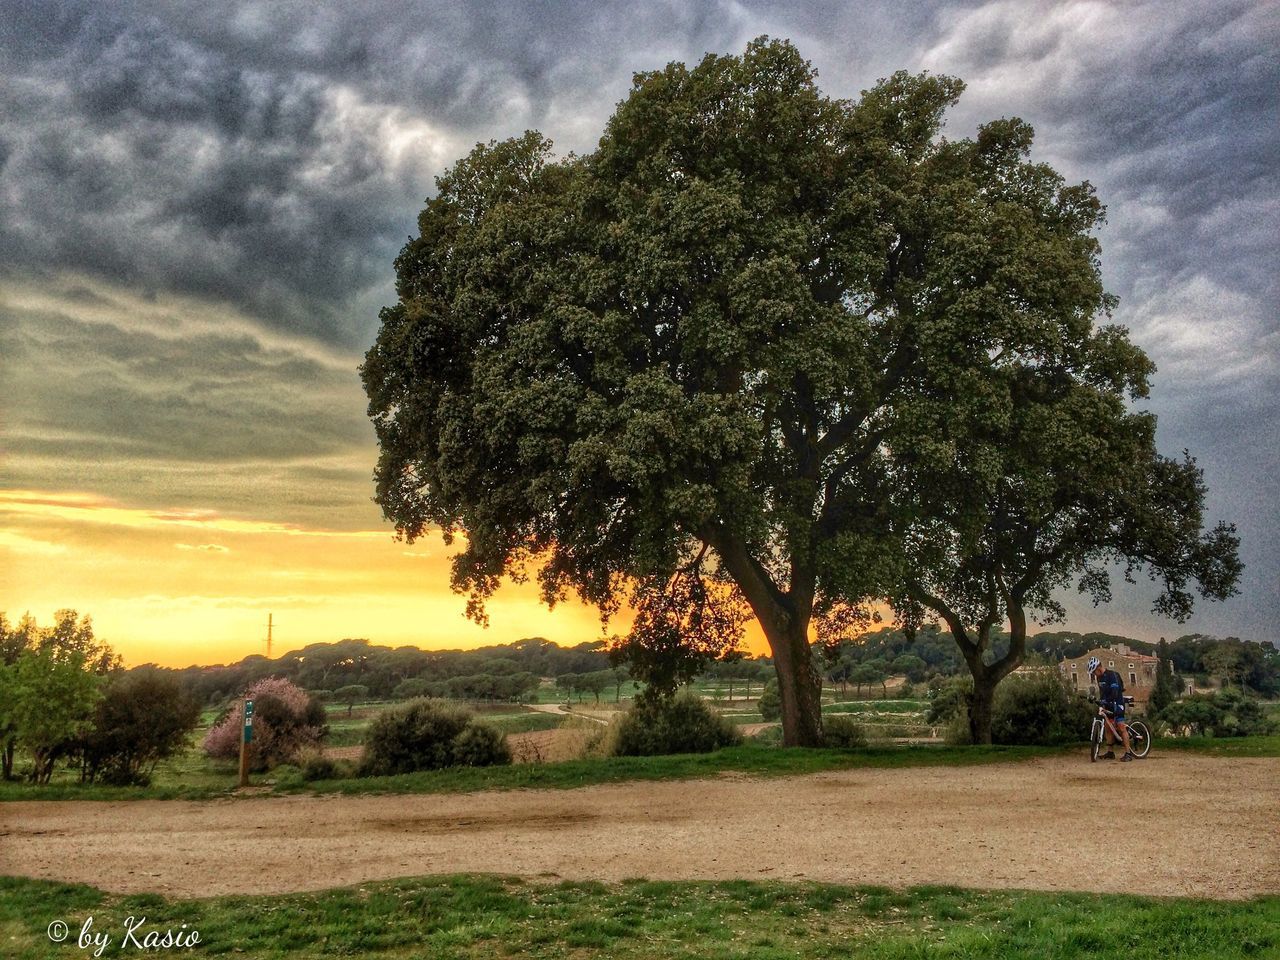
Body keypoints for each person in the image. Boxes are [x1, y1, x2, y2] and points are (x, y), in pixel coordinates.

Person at [1088, 656, 1135, 761]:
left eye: (1094, 672)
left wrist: (1107, 700)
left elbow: (1115, 692)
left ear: (1099, 668)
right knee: (1108, 726)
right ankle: (1110, 752)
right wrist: (1097, 700)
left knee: (1121, 726)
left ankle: (1128, 753)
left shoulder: (1112, 675)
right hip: (1108, 703)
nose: (1094, 674)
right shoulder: (1099, 678)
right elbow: (1102, 692)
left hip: (1117, 702)